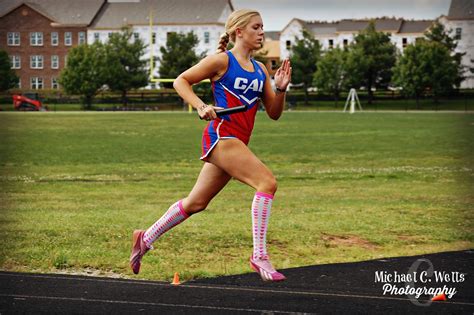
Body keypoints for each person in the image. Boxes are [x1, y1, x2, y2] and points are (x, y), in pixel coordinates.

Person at [130, 9, 292, 282]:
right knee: (267, 183)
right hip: (221, 137)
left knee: (196, 203)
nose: (262, 32)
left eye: (263, 27)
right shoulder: (222, 61)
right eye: (256, 27)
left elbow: (274, 113)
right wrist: (201, 106)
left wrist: (281, 89)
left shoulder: (261, 69)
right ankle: (259, 255)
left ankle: (145, 238)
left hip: (237, 141)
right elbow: (181, 81)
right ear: (239, 31)